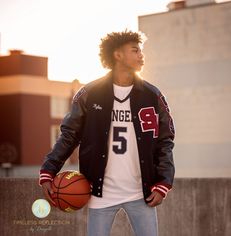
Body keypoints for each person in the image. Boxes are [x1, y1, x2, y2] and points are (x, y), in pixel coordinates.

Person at [39, 30, 175, 236]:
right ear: (118, 55)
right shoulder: (89, 93)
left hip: (141, 192)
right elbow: (69, 135)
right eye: (135, 50)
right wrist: (49, 170)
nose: (141, 55)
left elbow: (164, 141)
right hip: (100, 193)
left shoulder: (152, 95)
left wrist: (163, 182)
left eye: (141, 51)